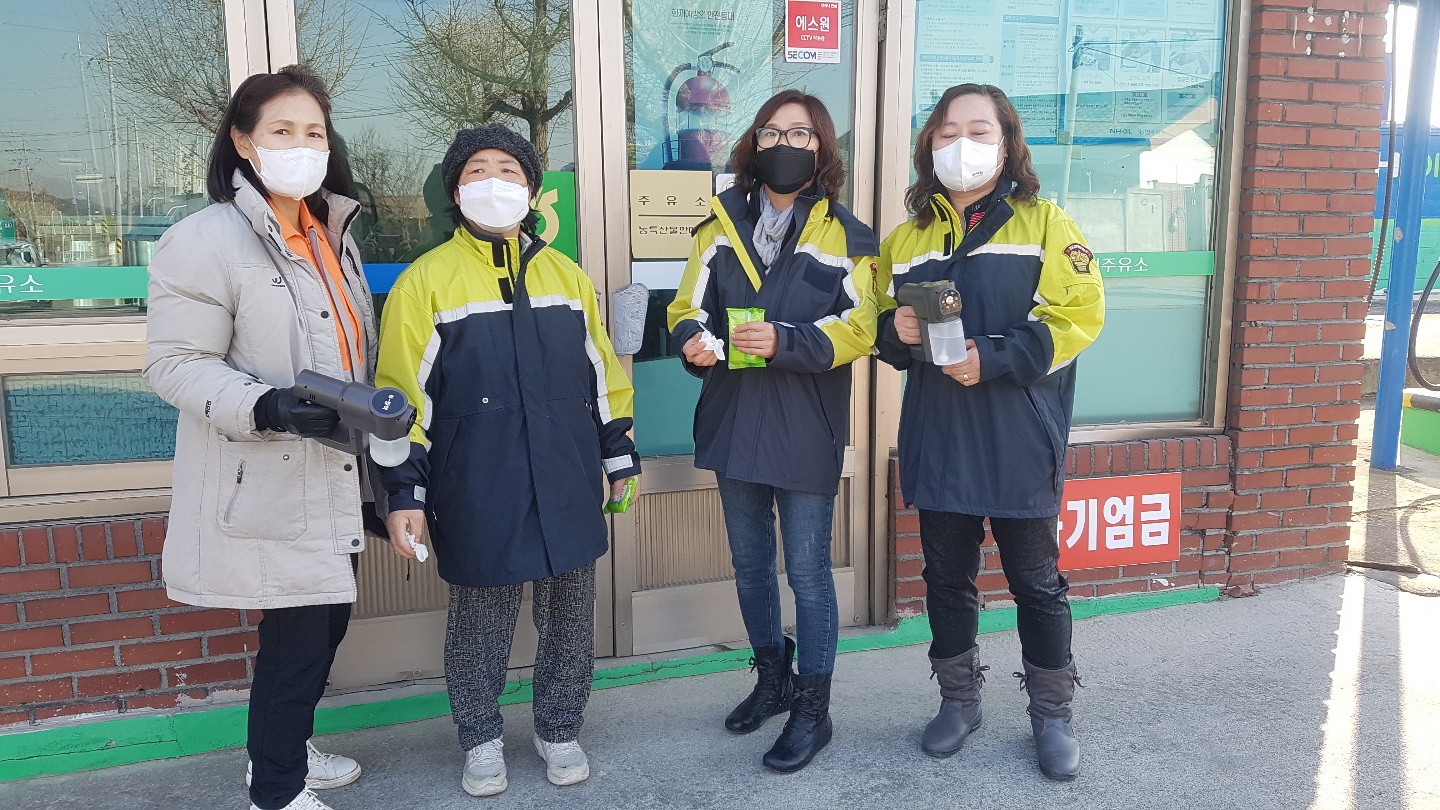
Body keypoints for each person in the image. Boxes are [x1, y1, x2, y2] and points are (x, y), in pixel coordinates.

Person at [375, 124, 640, 797]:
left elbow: (602, 376)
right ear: (455, 191)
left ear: (531, 189)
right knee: (479, 626)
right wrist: (404, 492)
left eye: (509, 171)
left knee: (570, 619)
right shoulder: (425, 281)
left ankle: (560, 728)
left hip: (565, 477)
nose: (493, 182)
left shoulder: (566, 276)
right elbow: (403, 398)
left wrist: (618, 453)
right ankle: (480, 740)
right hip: (476, 485)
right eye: (476, 171)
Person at [144, 65, 376, 810]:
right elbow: (176, 364)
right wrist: (265, 405)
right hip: (271, 468)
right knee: (299, 636)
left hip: (334, 467)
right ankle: (276, 788)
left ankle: (287, 751)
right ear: (243, 142)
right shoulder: (204, 239)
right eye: (282, 130)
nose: (301, 146)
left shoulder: (331, 234)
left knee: (326, 618)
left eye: (314, 132)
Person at [874, 83, 1106, 781]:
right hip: (939, 435)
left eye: (979, 131)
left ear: (1007, 145)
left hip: (1016, 436)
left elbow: (1078, 318)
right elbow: (878, 324)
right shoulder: (907, 239)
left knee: (1037, 582)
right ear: (929, 146)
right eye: (947, 132)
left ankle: (1052, 714)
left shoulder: (1045, 223)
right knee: (946, 578)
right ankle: (958, 701)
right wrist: (894, 329)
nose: (962, 145)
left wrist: (994, 358)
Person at [667, 90, 879, 773]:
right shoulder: (718, 226)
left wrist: (787, 340)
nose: (784, 144)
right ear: (753, 145)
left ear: (822, 148)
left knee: (809, 574)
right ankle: (773, 679)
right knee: (750, 566)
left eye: (800, 133)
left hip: (804, 424)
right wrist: (692, 340)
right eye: (771, 132)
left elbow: (862, 328)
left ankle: (814, 710)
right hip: (734, 419)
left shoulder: (849, 237)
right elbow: (685, 306)